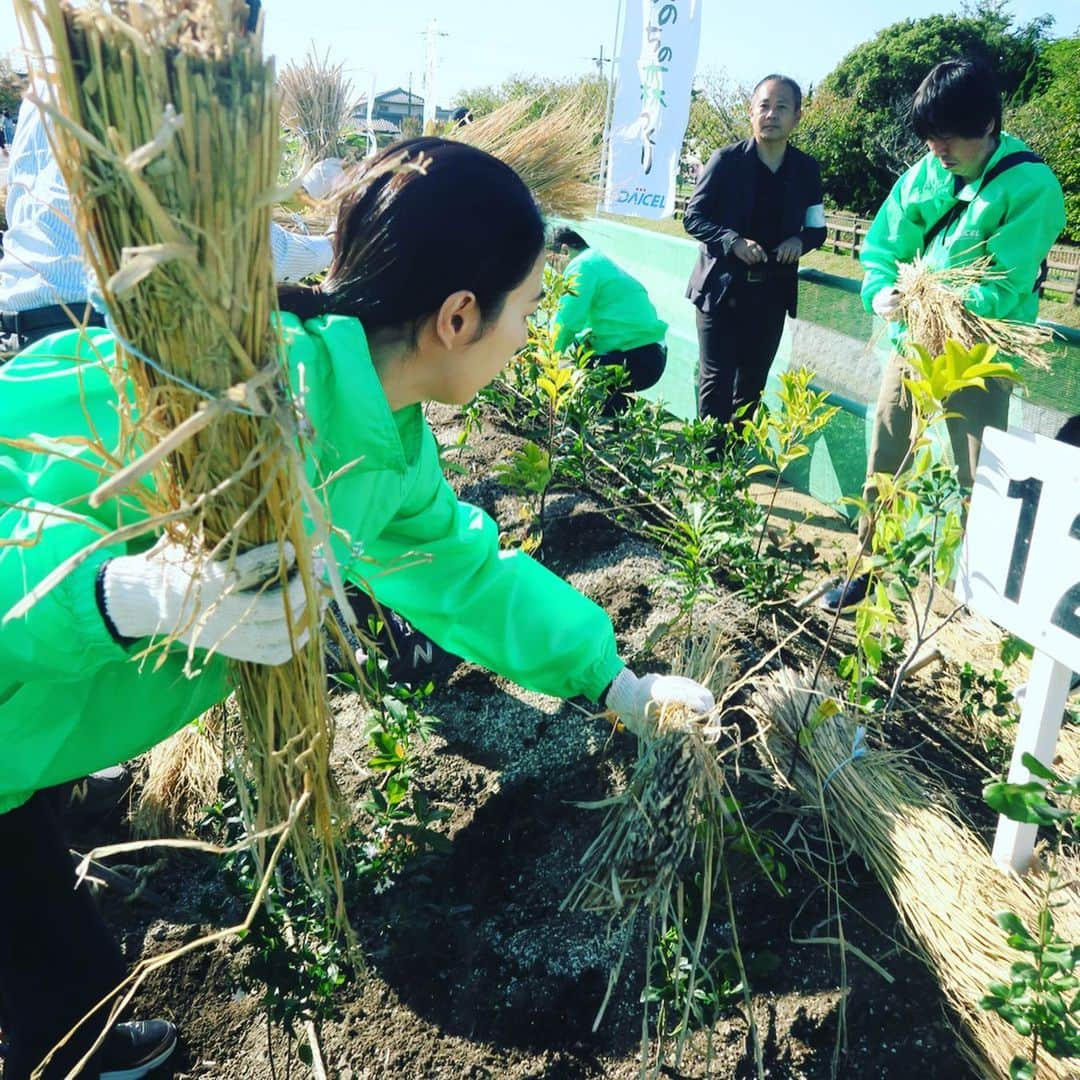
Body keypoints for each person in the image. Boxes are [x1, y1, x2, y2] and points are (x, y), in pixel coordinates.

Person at [0, 136, 714, 1078]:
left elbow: (464, 574)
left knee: (56, 969)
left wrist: (614, 682)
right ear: (460, 316)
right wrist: (130, 595)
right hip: (25, 694)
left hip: (34, 733)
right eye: (528, 310)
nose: (532, 334)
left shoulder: (379, 442)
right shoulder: (210, 385)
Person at [819, 57, 1066, 614]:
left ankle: (976, 597)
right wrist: (879, 289)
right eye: (930, 138)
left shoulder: (1031, 186)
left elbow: (1001, 288)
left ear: (988, 126)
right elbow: (884, 247)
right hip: (911, 344)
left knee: (979, 473)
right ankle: (868, 566)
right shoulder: (927, 171)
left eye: (949, 137)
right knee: (885, 453)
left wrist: (931, 302)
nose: (939, 151)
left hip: (979, 353)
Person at [0, 93, 337, 352]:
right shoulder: (167, 78)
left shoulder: (45, 82)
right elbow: (244, 247)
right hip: (101, 344)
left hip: (17, 339)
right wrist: (334, 245)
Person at [683, 74, 826, 440]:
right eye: (764, 106)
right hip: (721, 292)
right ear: (751, 112)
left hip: (771, 294)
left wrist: (800, 241)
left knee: (752, 386)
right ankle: (710, 468)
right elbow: (693, 217)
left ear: (797, 116)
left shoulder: (807, 169)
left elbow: (817, 228)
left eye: (781, 107)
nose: (771, 114)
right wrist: (731, 241)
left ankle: (732, 465)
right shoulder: (726, 161)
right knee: (716, 381)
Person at [549, 226, 668, 414]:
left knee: (571, 377)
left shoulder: (581, 265)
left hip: (636, 356)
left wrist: (548, 361)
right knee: (582, 353)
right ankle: (620, 412)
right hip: (650, 355)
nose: (556, 273)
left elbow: (567, 320)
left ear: (564, 251)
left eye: (553, 264)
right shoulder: (597, 261)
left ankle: (615, 415)